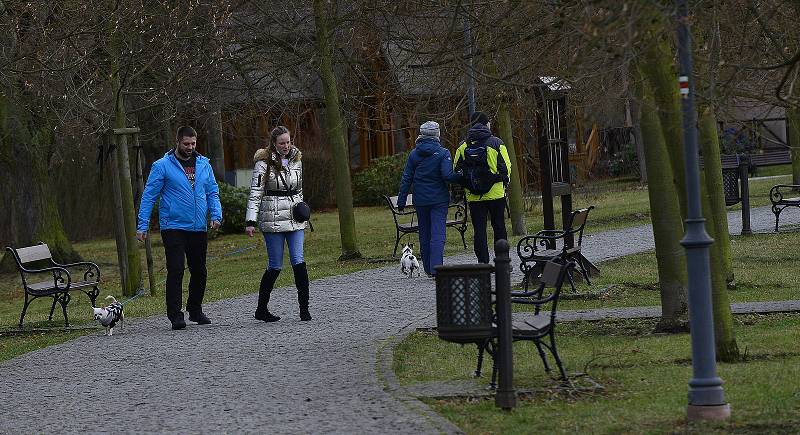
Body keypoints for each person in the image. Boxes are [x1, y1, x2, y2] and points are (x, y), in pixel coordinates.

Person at [137, 126, 222, 330]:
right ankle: (175, 315)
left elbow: (212, 191)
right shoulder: (162, 166)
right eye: (186, 144)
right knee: (176, 269)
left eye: (193, 144)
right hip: (173, 225)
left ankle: (195, 310)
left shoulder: (204, 165)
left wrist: (216, 214)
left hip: (197, 226)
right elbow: (149, 196)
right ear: (177, 142)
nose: (190, 147)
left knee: (199, 270)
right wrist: (142, 225)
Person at [245, 126, 311, 322]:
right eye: (281, 142)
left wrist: (302, 209)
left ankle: (304, 309)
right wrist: (250, 220)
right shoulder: (263, 163)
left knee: (299, 260)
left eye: (288, 141)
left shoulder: (297, 160)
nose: (286, 146)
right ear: (273, 143)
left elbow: (298, 188)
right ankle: (261, 309)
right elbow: (255, 192)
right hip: (272, 216)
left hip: (294, 217)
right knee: (275, 265)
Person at [397, 121, 460, 277]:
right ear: (437, 134)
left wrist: (401, 201)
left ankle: (427, 269)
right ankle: (436, 269)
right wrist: (460, 176)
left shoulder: (414, 154)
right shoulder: (443, 153)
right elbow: (447, 176)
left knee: (424, 234)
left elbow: (406, 178)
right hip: (439, 200)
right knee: (438, 234)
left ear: (422, 135)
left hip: (421, 201)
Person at [453, 111, 512, 264]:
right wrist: (504, 182)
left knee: (479, 230)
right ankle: (502, 260)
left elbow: (456, 171)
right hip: (496, 194)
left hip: (474, 196)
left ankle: (483, 263)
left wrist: (468, 185)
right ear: (486, 124)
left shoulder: (463, 146)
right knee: (499, 226)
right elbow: (507, 167)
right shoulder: (496, 143)